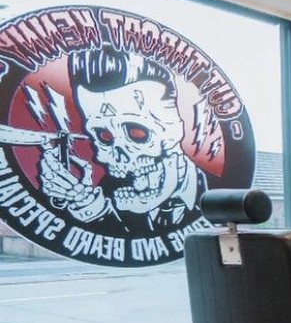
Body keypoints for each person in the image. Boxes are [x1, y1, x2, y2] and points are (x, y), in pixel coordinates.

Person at [38, 46, 205, 234]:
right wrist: (85, 202)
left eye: (137, 133)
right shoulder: (109, 189)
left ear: (175, 129)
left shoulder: (225, 194)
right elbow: (109, 239)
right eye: (103, 136)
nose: (118, 156)